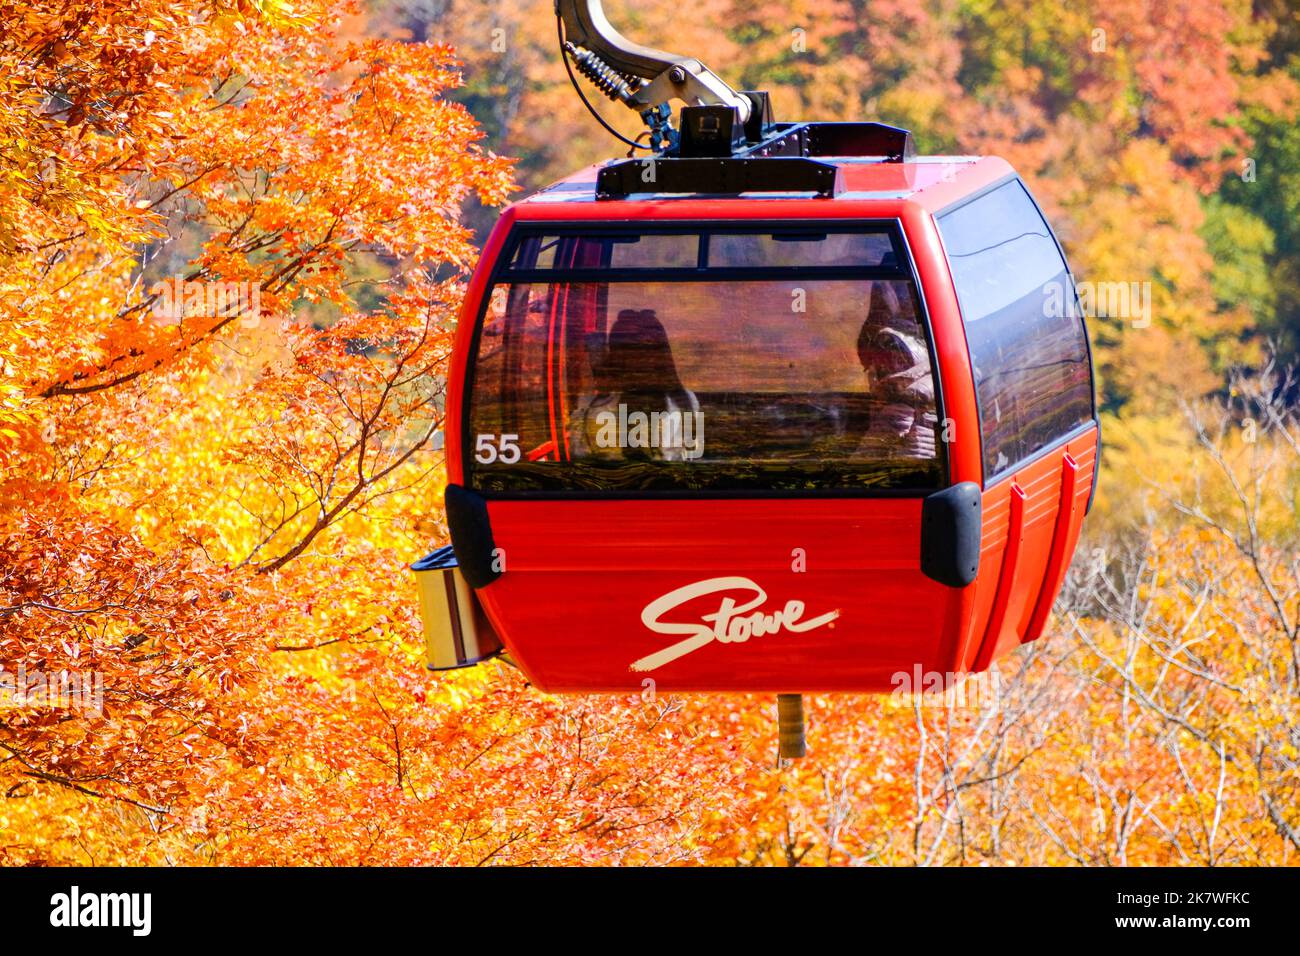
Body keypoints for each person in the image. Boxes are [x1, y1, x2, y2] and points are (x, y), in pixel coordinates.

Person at [569, 308, 702, 461]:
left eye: (648, 348)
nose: (642, 358)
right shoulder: (685, 401)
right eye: (633, 350)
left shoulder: (594, 408)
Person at [855, 283, 937, 459]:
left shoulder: (897, 339)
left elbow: (897, 417)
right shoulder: (900, 339)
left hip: (912, 446)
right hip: (922, 443)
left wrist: (860, 460)